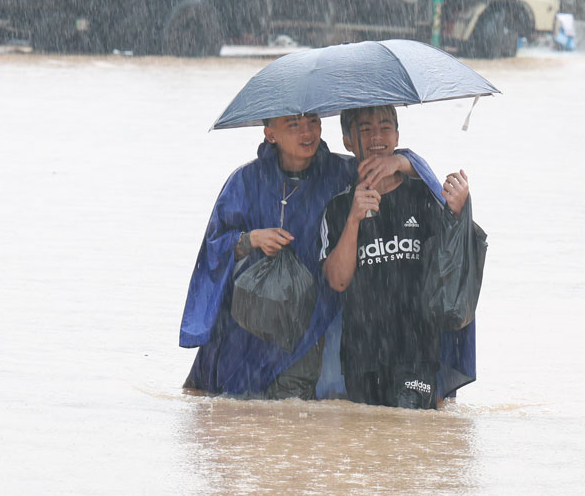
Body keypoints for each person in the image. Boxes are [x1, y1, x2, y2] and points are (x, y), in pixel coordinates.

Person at [182, 114, 446, 400]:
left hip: (311, 317)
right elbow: (212, 248)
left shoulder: (341, 171)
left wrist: (400, 161)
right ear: (271, 134)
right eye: (293, 125)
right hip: (251, 314)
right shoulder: (245, 180)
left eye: (313, 122)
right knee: (225, 406)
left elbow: (407, 174)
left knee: (296, 405)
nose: (306, 132)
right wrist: (251, 239)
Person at [318, 106, 471, 409]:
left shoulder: (425, 196)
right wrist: (353, 220)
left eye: (385, 127)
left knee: (409, 433)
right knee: (369, 449)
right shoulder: (337, 207)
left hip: (417, 351)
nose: (376, 137)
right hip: (362, 356)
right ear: (348, 141)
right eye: (365, 130)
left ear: (397, 136)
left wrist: (458, 210)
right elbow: (337, 281)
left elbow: (454, 260)